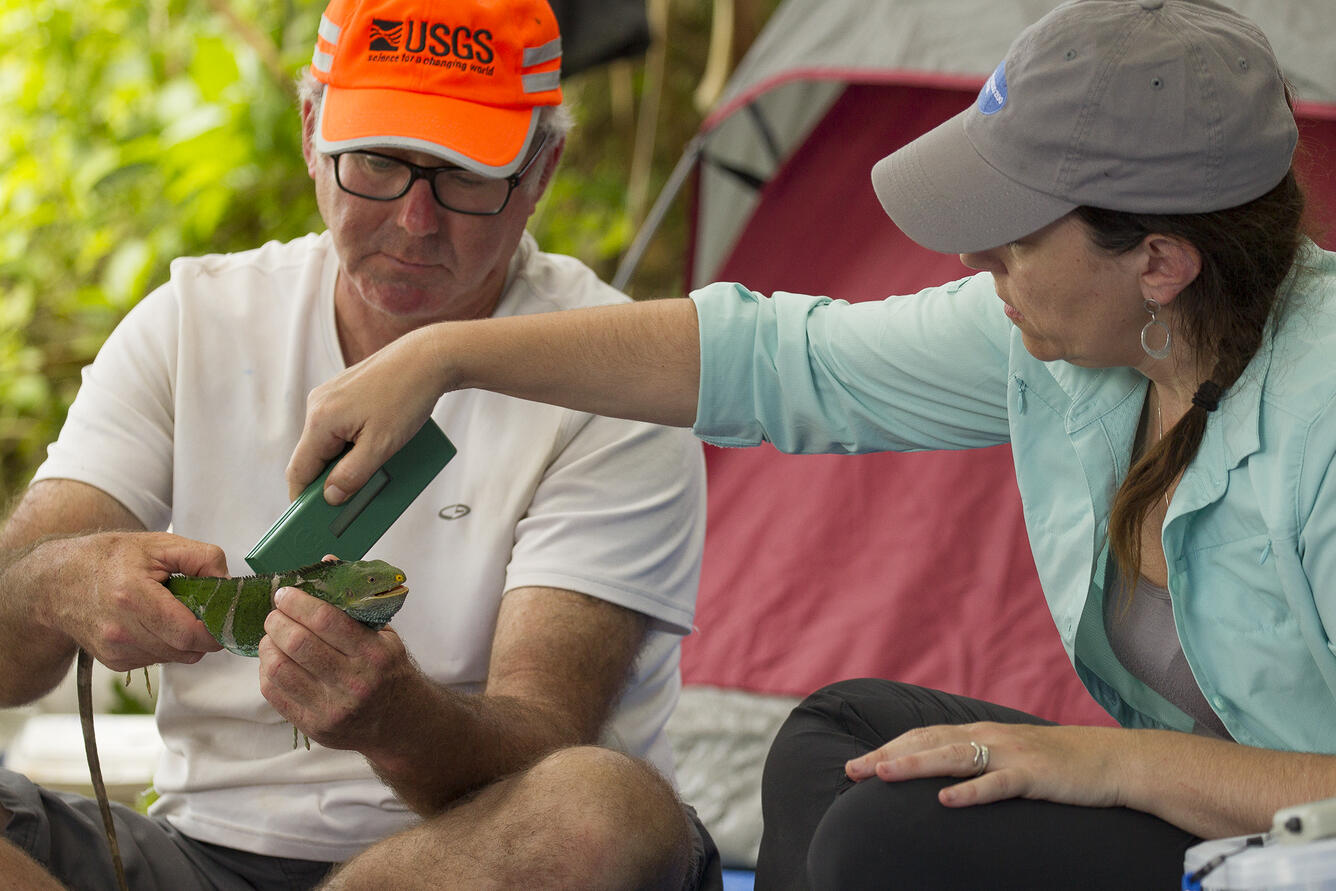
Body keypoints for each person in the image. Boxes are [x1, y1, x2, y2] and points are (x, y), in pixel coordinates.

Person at [280, 0, 1336, 887]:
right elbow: (782, 358)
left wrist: (1112, 766)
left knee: (893, 835)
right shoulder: (1080, 341)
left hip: (1301, 838)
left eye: (1013, 233)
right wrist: (450, 358)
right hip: (1221, 808)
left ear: (1158, 262)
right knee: (832, 749)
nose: (975, 255)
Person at [0, 0, 722, 888]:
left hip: (462, 858)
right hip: (194, 853)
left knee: (603, 810)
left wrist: (395, 717)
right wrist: (56, 583)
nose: (417, 221)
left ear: (541, 171)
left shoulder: (614, 375)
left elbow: (547, 738)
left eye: (463, 173)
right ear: (312, 135)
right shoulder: (195, 323)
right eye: (378, 162)